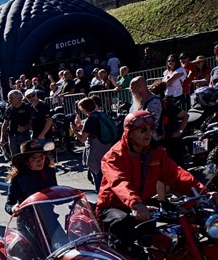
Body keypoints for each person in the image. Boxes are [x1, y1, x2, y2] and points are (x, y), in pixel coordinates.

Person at [96, 110, 208, 251]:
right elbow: (119, 182)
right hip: (114, 206)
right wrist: (135, 204)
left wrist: (203, 192)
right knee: (122, 229)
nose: (148, 133)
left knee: (182, 219)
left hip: (142, 203)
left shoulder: (155, 152)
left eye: (151, 129)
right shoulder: (114, 156)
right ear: (129, 132)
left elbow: (175, 174)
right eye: (143, 130)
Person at [72, 96, 115, 192]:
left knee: (98, 177)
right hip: (106, 146)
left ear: (84, 109)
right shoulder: (101, 115)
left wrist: (74, 131)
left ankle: (100, 197)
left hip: (96, 151)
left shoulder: (90, 120)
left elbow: (82, 139)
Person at [5, 140, 57, 215]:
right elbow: (9, 205)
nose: (39, 160)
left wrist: (75, 200)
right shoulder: (18, 179)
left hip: (49, 217)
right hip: (28, 220)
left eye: (41, 156)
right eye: (34, 157)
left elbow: (56, 192)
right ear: (26, 161)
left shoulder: (49, 172)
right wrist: (13, 208)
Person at [1, 89, 32, 159]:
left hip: (24, 135)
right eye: (8, 98)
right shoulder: (8, 109)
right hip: (12, 136)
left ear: (17, 99)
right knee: (15, 157)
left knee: (26, 155)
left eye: (11, 98)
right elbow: (5, 124)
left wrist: (25, 128)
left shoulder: (27, 107)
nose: (9, 100)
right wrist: (2, 137)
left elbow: (33, 121)